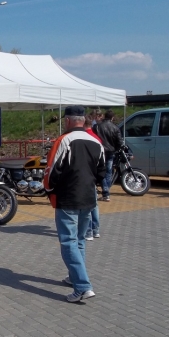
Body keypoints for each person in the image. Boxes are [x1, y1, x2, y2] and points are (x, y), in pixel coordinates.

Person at [44, 105, 105, 302]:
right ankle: (74, 277)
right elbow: (102, 173)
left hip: (68, 197)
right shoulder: (96, 141)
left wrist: (49, 191)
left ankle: (83, 286)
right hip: (88, 198)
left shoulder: (64, 140)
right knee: (79, 240)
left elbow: (51, 171)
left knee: (68, 242)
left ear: (68, 120)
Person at [93, 109, 123, 202]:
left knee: (101, 171)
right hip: (110, 151)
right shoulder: (115, 127)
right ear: (112, 118)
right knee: (108, 172)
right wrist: (116, 149)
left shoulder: (97, 127)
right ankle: (106, 192)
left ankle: (105, 192)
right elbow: (119, 142)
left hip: (100, 151)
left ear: (104, 116)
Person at [84, 115, 101, 241]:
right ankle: (96, 230)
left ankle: (88, 231)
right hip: (94, 174)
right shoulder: (97, 138)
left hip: (86, 174)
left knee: (87, 205)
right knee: (94, 204)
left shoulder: (84, 138)